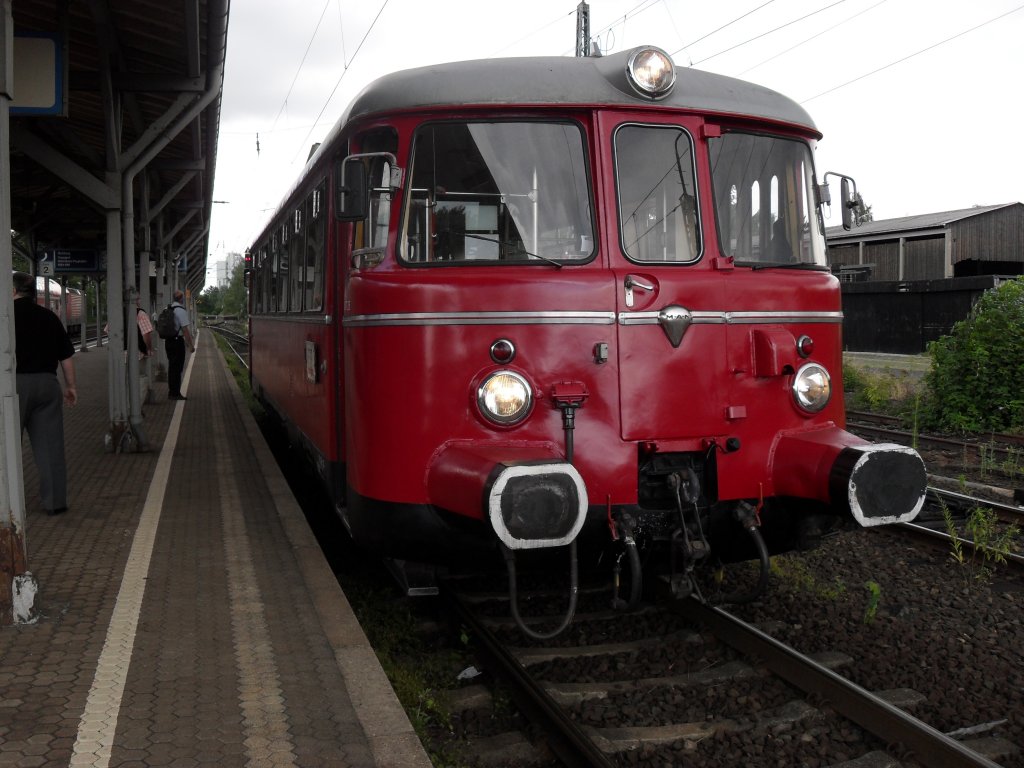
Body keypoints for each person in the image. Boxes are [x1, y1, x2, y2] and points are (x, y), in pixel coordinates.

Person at [12, 271, 77, 516]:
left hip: (13, 386)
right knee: (50, 447)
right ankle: (55, 503)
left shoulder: (5, 316)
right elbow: (66, 356)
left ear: (13, 291)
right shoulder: (49, 317)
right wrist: (70, 386)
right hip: (48, 384)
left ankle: (7, 503)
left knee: (5, 445)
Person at [165, 289, 195, 400]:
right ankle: (175, 393)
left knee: (172, 367)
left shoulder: (168, 308)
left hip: (168, 342)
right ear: (181, 298)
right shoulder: (180, 311)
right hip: (177, 342)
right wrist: (190, 345)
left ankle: (171, 392)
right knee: (177, 368)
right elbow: (185, 330)